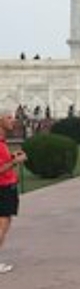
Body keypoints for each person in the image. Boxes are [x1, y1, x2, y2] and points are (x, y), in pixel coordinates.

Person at [0, 111, 27, 274]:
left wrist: (11, 158)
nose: (13, 120)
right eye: (9, 117)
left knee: (4, 224)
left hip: (7, 187)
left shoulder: (2, 142)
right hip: (3, 188)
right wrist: (15, 162)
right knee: (2, 226)